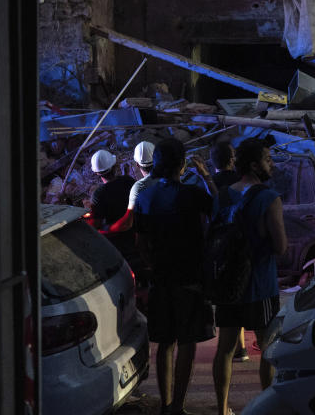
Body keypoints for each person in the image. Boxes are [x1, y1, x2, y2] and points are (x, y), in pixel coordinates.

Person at [133, 138, 216, 415]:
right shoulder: (191, 194)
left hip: (161, 278)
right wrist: (205, 175)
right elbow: (219, 209)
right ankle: (177, 407)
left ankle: (166, 405)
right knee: (187, 342)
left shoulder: (146, 196)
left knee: (165, 342)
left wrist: (151, 265)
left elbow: (140, 241)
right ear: (181, 165)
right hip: (190, 278)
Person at [212, 138, 287, 415]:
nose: (272, 164)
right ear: (255, 165)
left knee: (226, 349)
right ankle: (267, 407)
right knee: (269, 350)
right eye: (268, 159)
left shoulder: (221, 196)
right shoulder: (268, 198)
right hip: (260, 286)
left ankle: (222, 409)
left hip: (228, 284)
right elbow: (280, 247)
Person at [87, 149, 136, 256]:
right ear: (114, 166)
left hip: (120, 242)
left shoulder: (99, 194)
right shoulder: (129, 181)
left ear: (96, 173)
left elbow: (96, 224)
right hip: (138, 233)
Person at [107, 141, 156, 234]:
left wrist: (106, 230)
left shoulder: (139, 186)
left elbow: (127, 222)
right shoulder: (171, 173)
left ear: (137, 164)